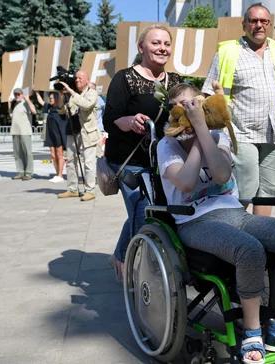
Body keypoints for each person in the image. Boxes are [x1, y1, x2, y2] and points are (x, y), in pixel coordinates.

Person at [159, 83, 275, 363]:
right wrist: (198, 134)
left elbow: (222, 175)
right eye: (183, 107)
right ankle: (251, 332)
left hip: (235, 213)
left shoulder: (219, 136)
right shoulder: (167, 145)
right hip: (195, 221)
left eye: (196, 104)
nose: (191, 110)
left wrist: (204, 131)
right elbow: (186, 183)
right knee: (249, 249)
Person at [202, 3, 275, 217]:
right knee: (244, 189)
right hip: (240, 133)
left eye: (264, 21)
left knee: (268, 192)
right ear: (244, 24)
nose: (259, 25)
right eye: (253, 21)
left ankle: (261, 236)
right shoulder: (227, 52)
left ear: (270, 25)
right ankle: (233, 234)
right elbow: (209, 93)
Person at [103, 24, 183, 278]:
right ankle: (141, 270)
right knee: (145, 213)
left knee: (150, 210)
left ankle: (123, 253)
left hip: (163, 160)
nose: (162, 48)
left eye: (166, 44)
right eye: (156, 43)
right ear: (141, 48)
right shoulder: (125, 78)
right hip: (130, 160)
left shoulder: (175, 81)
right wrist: (127, 121)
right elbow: (109, 118)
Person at [57, 71, 100, 201]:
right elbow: (63, 111)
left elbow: (86, 105)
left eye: (80, 78)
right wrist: (62, 95)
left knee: (88, 163)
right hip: (73, 129)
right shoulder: (73, 95)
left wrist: (71, 91)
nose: (77, 80)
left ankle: (90, 190)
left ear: (87, 80)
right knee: (70, 161)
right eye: (76, 78)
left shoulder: (91, 92)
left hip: (87, 132)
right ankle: (72, 189)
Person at [36, 91, 67, 183]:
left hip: (59, 133)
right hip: (50, 134)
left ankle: (60, 175)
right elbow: (41, 102)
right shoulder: (48, 107)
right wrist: (37, 92)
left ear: (57, 99)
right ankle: (57, 174)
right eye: (49, 98)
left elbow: (63, 99)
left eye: (52, 98)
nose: (50, 99)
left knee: (59, 154)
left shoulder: (61, 108)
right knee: (53, 155)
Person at [8, 88, 37, 180]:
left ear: (22, 94)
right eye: (15, 94)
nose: (17, 96)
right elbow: (11, 115)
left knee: (27, 152)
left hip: (25, 131)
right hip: (15, 131)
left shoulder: (26, 103)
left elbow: (34, 111)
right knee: (17, 153)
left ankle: (28, 173)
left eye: (19, 94)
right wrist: (9, 103)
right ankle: (20, 171)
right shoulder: (15, 104)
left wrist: (27, 99)